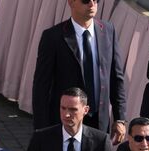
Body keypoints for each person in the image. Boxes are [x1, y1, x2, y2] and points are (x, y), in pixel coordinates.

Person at [32, 0, 127, 138]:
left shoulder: (108, 30)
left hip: (99, 122)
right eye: (85, 1)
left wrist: (120, 119)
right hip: (66, 121)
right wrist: (41, 130)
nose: (92, 4)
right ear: (71, 2)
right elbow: (41, 86)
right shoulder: (53, 37)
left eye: (96, 0)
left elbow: (116, 78)